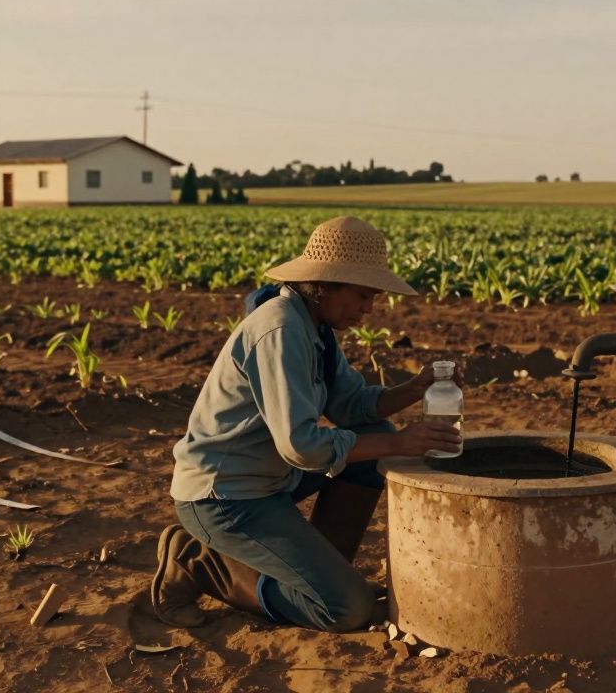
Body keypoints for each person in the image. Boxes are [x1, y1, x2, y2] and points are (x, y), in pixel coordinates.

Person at [152, 216, 464, 632]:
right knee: (346, 610)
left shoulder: (316, 329)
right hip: (225, 496)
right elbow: (301, 446)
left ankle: (321, 572)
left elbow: (352, 406)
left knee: (375, 441)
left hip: (269, 479)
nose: (369, 309)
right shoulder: (280, 329)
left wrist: (415, 387)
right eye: (364, 295)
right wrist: (399, 445)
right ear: (325, 284)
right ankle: (198, 563)